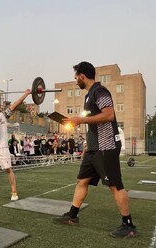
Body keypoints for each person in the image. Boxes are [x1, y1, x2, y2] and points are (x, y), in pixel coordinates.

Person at [52, 61, 136, 238]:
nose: (75, 81)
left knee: (115, 186)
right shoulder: (88, 95)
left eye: (76, 78)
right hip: (94, 148)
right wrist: (88, 145)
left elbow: (109, 115)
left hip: (106, 146)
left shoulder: (100, 91)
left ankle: (128, 225)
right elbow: (94, 123)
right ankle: (72, 216)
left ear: (82, 76)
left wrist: (80, 120)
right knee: (81, 181)